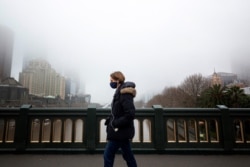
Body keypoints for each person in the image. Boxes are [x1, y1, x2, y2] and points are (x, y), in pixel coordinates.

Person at [104, 71, 137, 167]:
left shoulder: (124, 93)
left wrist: (115, 123)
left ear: (118, 80)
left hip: (119, 131)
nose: (110, 82)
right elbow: (119, 111)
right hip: (122, 131)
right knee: (128, 155)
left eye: (112, 80)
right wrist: (110, 119)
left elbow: (130, 114)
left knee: (108, 155)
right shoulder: (119, 91)